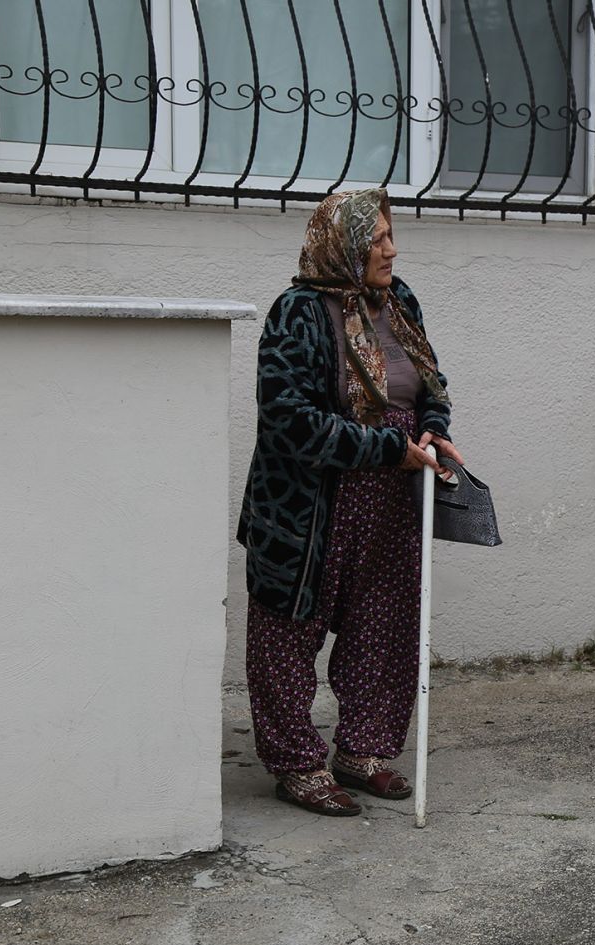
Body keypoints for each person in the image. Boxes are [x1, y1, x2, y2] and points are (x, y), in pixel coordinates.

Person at [237, 188, 462, 817]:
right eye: (378, 238)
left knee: (384, 627)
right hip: (309, 506)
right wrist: (384, 447)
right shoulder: (298, 312)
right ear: (345, 245)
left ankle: (363, 752)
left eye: (391, 235)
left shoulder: (400, 301)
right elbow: (288, 420)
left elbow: (431, 383)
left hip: (391, 497)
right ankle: (297, 765)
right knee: (286, 634)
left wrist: (434, 431)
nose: (392, 248)